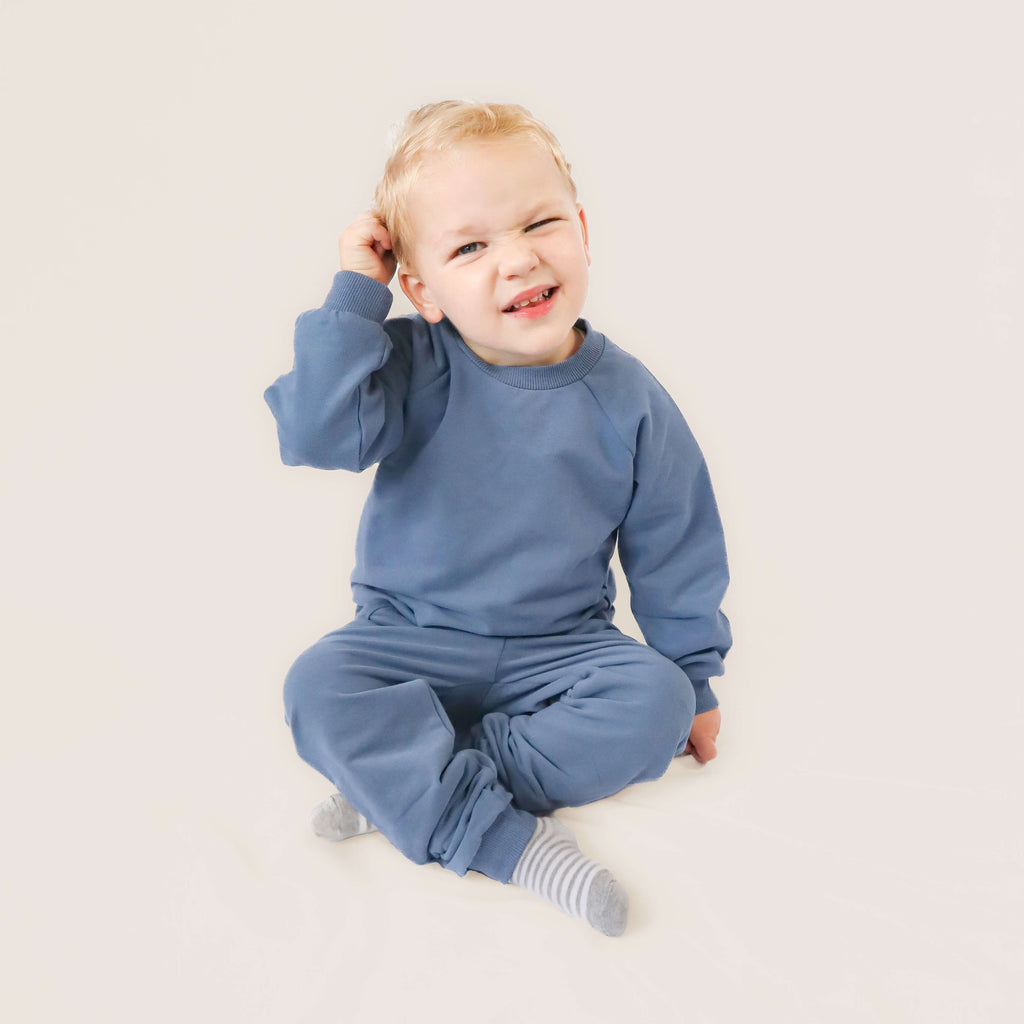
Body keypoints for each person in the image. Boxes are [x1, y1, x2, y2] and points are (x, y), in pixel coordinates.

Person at [265, 101, 731, 937]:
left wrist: (693, 678)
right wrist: (355, 299)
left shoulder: (629, 399)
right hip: (410, 640)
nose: (517, 259)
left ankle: (418, 780)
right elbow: (315, 436)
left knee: (653, 702)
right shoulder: (411, 364)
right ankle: (508, 844)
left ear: (583, 231)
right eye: (470, 247)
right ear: (422, 288)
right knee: (316, 687)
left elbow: (676, 542)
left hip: (559, 651)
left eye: (540, 223)